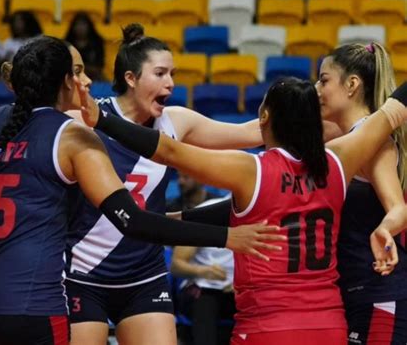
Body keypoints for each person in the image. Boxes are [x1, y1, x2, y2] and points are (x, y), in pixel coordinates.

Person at [0, 24, 271, 345]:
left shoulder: (177, 121)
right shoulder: (80, 122)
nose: (170, 83)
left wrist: (313, 121)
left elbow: (251, 133)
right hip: (82, 274)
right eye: (160, 73)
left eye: (173, 74)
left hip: (143, 274)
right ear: (131, 78)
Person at [77, 74, 407, 345]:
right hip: (328, 324)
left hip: (267, 326)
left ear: (264, 116)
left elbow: (171, 152)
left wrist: (103, 119)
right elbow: (392, 112)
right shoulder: (338, 162)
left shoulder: (251, 170)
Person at [316, 42, 407, 344]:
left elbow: (399, 207)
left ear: (352, 85)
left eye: (324, 80)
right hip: (354, 293)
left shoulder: (372, 140)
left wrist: (385, 228)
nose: (317, 89)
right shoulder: (345, 138)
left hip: (381, 293)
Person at [171, 196, 236, 345]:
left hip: (239, 290)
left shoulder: (266, 215)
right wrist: (203, 271)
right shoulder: (207, 212)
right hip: (203, 288)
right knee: (205, 302)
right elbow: (176, 264)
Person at [65, 12, 104, 82]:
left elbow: (99, 66)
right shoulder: (67, 44)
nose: (80, 28)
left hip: (93, 78)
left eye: (83, 24)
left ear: (89, 26)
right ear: (73, 27)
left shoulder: (97, 43)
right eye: (77, 24)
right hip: (72, 77)